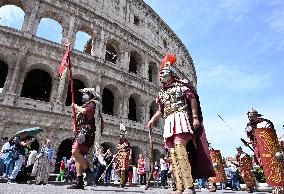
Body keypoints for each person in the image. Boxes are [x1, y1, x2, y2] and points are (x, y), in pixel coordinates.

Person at [147, 54, 215, 194]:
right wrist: (153, 119)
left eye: (164, 73)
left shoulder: (181, 86)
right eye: (160, 74)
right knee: (173, 154)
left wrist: (195, 117)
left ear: (171, 74)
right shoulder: (161, 94)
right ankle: (179, 187)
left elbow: (192, 100)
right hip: (169, 121)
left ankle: (189, 186)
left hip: (181, 118)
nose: (162, 76)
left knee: (180, 150)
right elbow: (161, 110)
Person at [67, 88, 100, 189]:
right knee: (78, 157)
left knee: (74, 152)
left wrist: (76, 106)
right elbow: (78, 119)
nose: (83, 96)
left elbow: (85, 111)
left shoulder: (92, 104)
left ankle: (88, 171)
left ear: (90, 95)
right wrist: (74, 128)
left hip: (86, 133)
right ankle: (79, 181)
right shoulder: (85, 105)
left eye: (85, 94)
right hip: (81, 132)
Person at [116, 123, 132, 188]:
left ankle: (122, 183)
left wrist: (130, 156)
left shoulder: (126, 143)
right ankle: (124, 180)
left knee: (123, 170)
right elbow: (118, 151)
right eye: (120, 135)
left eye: (122, 135)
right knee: (117, 170)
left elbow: (130, 149)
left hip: (125, 158)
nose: (120, 136)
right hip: (119, 158)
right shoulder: (119, 144)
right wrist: (116, 155)